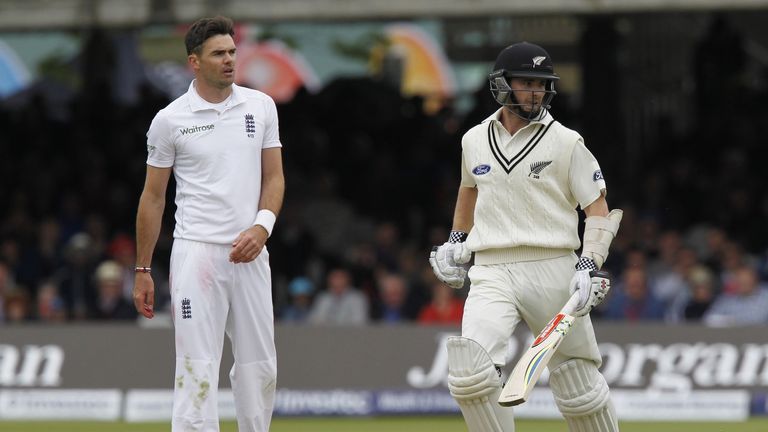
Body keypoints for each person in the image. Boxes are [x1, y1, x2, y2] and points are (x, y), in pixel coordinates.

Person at [429, 42, 623, 432]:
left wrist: (589, 264)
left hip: (552, 266)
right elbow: (468, 192)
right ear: (502, 84)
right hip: (491, 268)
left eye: (541, 83)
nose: (535, 92)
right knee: (471, 375)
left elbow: (597, 209)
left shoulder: (567, 142)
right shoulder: (473, 139)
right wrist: (455, 241)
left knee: (578, 386)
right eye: (526, 83)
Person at [132, 16, 284, 432]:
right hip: (196, 255)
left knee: (260, 366)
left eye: (233, 51)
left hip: (251, 251)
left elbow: (274, 177)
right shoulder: (169, 119)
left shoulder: (261, 106)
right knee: (197, 367)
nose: (230, 60)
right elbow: (152, 197)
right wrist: (143, 270)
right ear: (194, 63)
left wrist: (262, 227)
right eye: (219, 53)